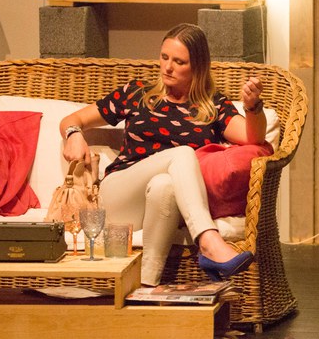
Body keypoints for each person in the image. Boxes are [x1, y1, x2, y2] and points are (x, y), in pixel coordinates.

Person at [59, 23, 266, 286]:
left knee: (165, 185)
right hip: (122, 194)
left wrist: (252, 107)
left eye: (179, 62)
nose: (167, 67)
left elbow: (252, 138)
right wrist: (74, 134)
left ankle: (146, 285)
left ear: (198, 67)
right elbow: (72, 120)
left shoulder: (213, 105)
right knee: (182, 154)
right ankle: (208, 241)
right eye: (164, 57)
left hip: (167, 204)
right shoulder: (137, 93)